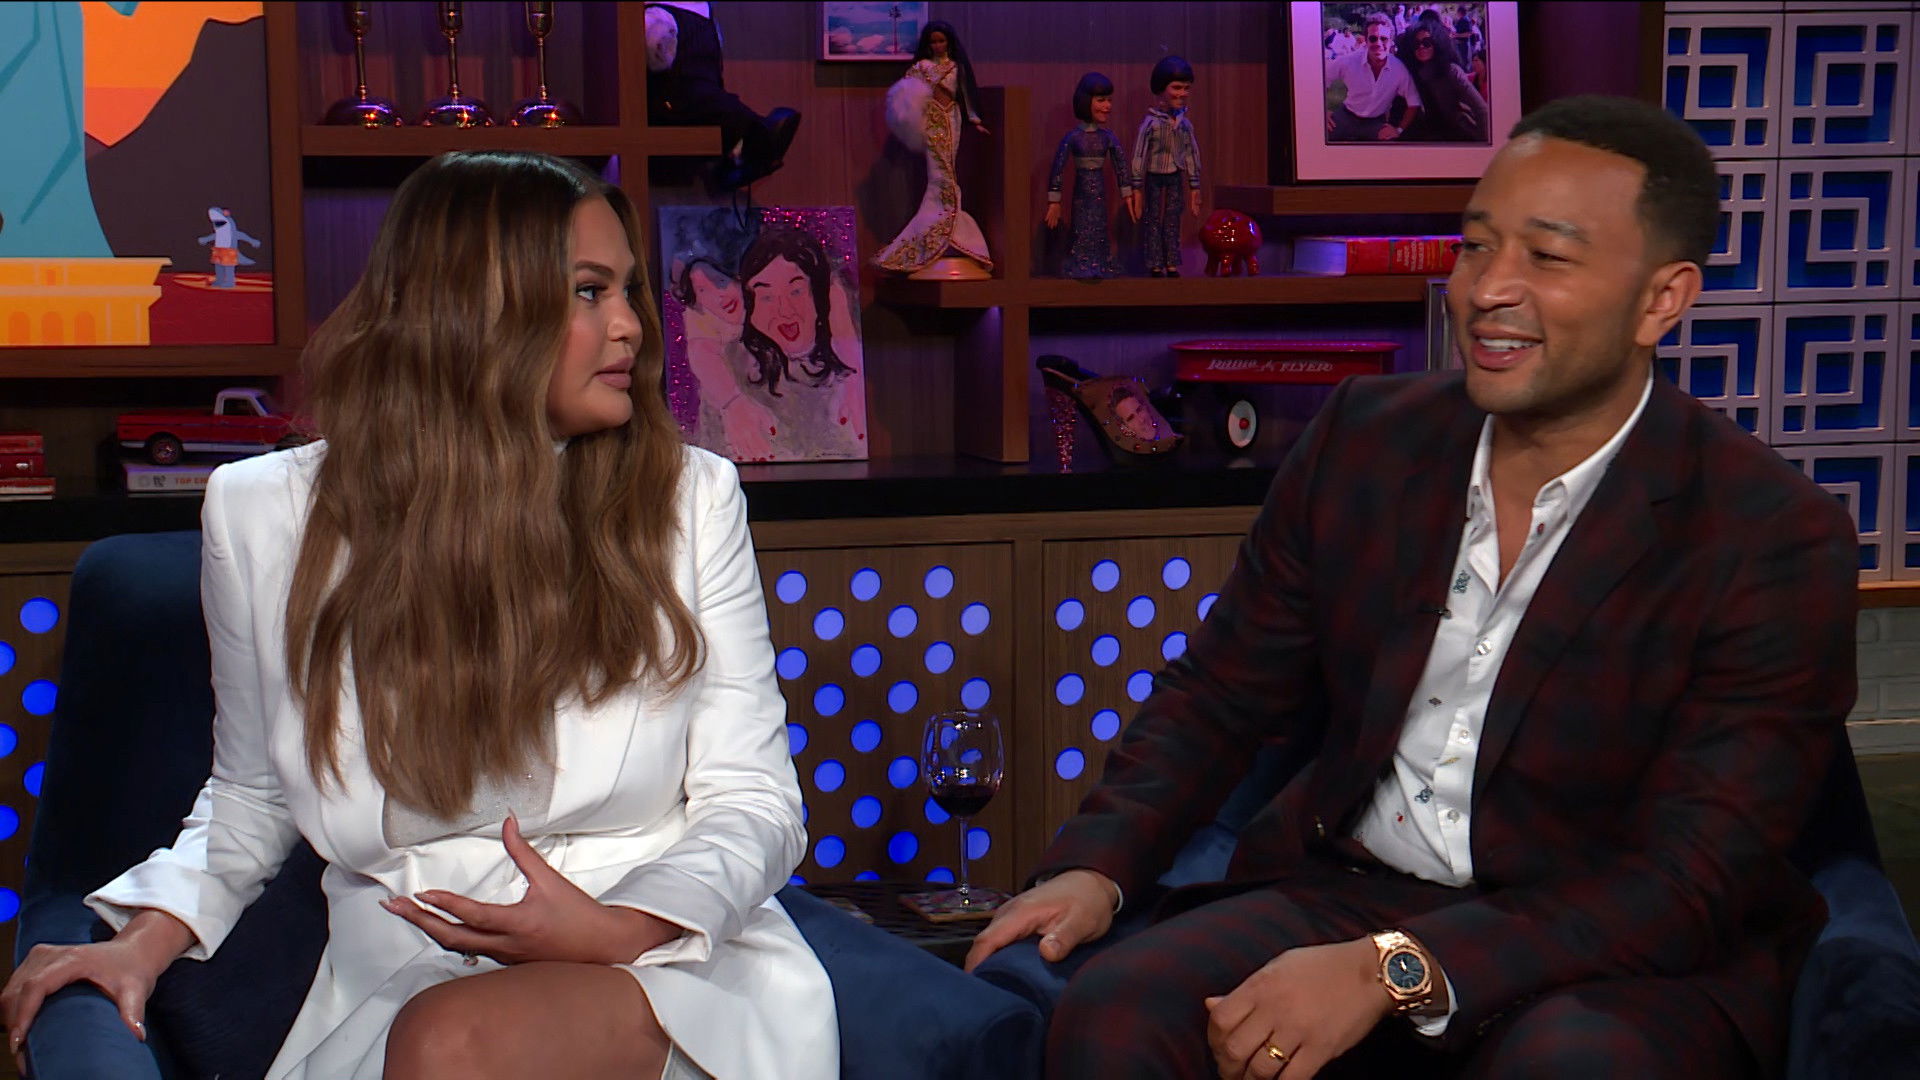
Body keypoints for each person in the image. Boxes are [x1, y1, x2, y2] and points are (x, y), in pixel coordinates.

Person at [966, 95, 1859, 1080]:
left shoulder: (1768, 534)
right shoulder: (1368, 438)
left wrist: (1395, 970)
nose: (1488, 290)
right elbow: (1220, 693)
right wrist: (1097, 864)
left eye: (1547, 258)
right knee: (1118, 1014)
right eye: (1476, 247)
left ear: (1662, 299)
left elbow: (1691, 878)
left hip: (1609, 940)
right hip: (1353, 888)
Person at [0, 150, 837, 1080]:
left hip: (660, 964)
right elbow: (253, 796)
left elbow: (754, 800)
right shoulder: (267, 513)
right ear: (475, 308)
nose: (632, 325)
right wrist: (142, 942)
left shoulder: (690, 498)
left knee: (450, 1044)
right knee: (438, 1036)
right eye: (589, 292)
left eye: (627, 291)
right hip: (406, 970)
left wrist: (618, 926)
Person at [873, 21, 993, 277]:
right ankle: (941, 224)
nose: (938, 45)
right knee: (938, 173)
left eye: (941, 41)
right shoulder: (921, 67)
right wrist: (913, 115)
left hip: (952, 119)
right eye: (933, 41)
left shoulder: (956, 67)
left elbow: (965, 96)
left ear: (949, 41)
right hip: (932, 120)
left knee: (949, 168)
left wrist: (975, 120)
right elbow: (904, 97)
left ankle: (948, 228)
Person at [738, 226, 866, 460]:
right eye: (767, 297)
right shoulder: (736, 369)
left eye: (796, 291)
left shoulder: (851, 370)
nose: (785, 311)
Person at [644, 2, 801, 191]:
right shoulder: (659, 13)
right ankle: (753, 143)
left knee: (725, 110)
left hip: (702, 96)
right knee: (728, 114)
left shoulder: (702, 16)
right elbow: (651, 48)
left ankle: (744, 152)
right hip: (677, 99)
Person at [670, 256, 779, 463]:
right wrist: (734, 404)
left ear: (737, 278)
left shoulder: (769, 300)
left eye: (720, 282)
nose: (719, 295)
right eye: (703, 292)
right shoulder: (709, 336)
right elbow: (701, 352)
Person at [1045, 72, 1130, 280]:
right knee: (1081, 226)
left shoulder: (1108, 137)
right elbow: (1058, 167)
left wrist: (1127, 194)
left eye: (1109, 100)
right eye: (1101, 100)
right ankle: (1081, 263)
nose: (1107, 106)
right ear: (1086, 101)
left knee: (1099, 225)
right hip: (1081, 193)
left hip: (1099, 192)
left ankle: (1099, 262)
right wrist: (1054, 201)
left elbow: (1121, 165)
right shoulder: (1073, 137)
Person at [1126, 55, 1203, 278]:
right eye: (1176, 88)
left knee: (1172, 218)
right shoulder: (1151, 123)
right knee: (1152, 218)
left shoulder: (1184, 124)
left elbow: (1191, 153)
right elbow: (1139, 154)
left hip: (1175, 176)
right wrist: (1136, 187)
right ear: (1162, 89)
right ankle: (1155, 263)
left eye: (1186, 88)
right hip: (1154, 175)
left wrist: (1195, 186)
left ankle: (1171, 262)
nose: (1182, 94)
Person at [1324, 13, 1421, 143]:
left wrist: (1398, 130)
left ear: (1391, 41)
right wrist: (1323, 111)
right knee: (1319, 136)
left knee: (1390, 146)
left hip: (1375, 122)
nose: (1378, 43)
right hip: (1347, 116)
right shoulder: (1349, 61)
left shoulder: (1399, 69)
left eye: (1384, 39)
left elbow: (1414, 102)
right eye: (1373, 38)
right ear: (1366, 40)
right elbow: (1320, 79)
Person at [1395, 22, 1488, 142]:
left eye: (1427, 42)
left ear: (1437, 43)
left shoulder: (1451, 71)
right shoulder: (1414, 72)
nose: (1421, 47)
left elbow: (1481, 109)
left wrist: (1484, 146)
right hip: (1430, 135)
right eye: (1416, 44)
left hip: (1459, 134)